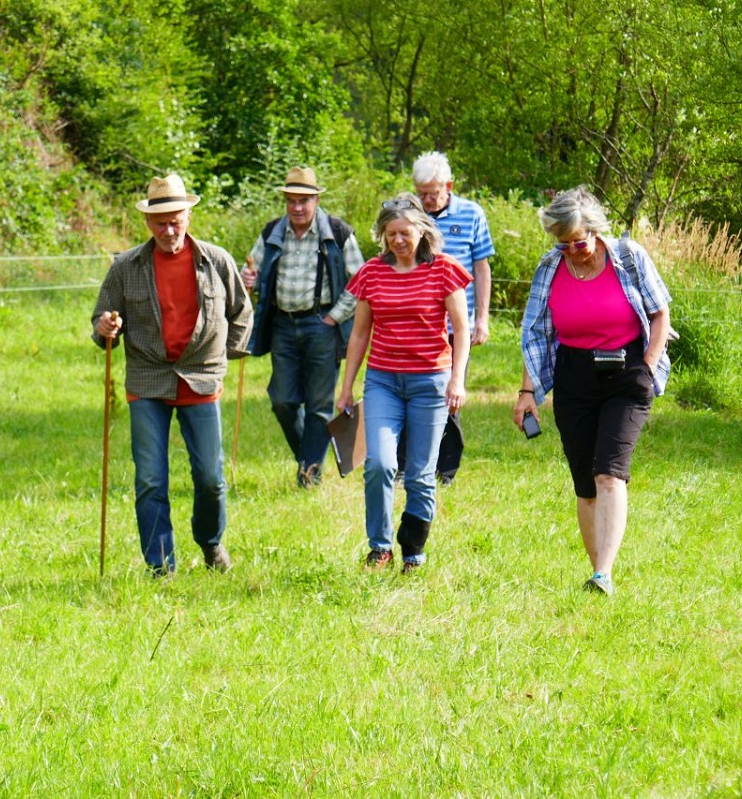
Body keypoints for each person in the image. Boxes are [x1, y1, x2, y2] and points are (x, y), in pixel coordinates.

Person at [514, 187, 672, 596]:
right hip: (574, 376)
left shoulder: (629, 256)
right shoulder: (550, 267)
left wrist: (648, 367)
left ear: (595, 231)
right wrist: (527, 391)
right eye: (563, 244)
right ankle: (596, 571)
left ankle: (603, 572)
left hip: (627, 374)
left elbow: (659, 313)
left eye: (578, 242)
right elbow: (536, 333)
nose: (572, 250)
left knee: (609, 472)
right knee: (585, 483)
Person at [92, 174, 252, 576]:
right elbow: (102, 316)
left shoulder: (216, 261)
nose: (168, 230)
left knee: (211, 479)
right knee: (150, 479)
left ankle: (211, 543)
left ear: (188, 216)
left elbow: (242, 314)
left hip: (200, 377)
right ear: (148, 223)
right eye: (160, 222)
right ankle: (160, 565)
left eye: (175, 220)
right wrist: (105, 328)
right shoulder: (126, 266)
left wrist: (222, 358)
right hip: (148, 379)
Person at [336, 194, 472, 573]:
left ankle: (413, 550)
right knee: (379, 463)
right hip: (383, 382)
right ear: (382, 235)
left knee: (420, 473)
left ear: (422, 231)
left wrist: (457, 380)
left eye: (405, 233)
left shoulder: (444, 269)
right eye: (390, 233)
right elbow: (360, 333)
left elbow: (460, 329)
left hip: (430, 382)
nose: (398, 240)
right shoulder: (372, 273)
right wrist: (346, 387)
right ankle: (380, 548)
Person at [241, 167, 365, 488]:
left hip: (322, 324)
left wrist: (335, 316)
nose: (297, 208)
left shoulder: (337, 231)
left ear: (316, 200)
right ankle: (309, 460)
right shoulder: (272, 231)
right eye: (291, 201)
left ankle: (308, 475)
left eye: (304, 201)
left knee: (319, 404)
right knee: (282, 400)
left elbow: (361, 281)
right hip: (282, 323)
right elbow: (251, 270)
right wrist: (249, 280)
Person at [396, 151, 497, 484]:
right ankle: (404, 464)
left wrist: (482, 318)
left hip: (457, 325)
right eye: (421, 192)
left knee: (451, 394)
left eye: (433, 193)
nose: (427, 200)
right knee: (409, 393)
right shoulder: (408, 217)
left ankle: (447, 468)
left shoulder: (472, 214)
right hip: (416, 325)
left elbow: (482, 268)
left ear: (449, 186)